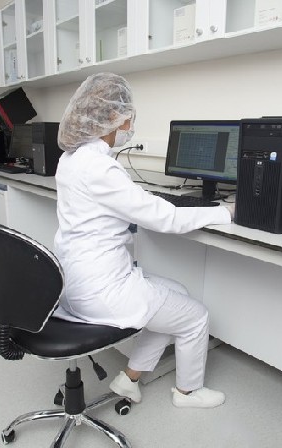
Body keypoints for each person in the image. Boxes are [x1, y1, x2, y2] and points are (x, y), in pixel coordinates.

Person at [54, 72, 235, 408]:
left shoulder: (71, 160)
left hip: (73, 282)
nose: (130, 126)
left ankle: (130, 379)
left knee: (176, 293)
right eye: (128, 118)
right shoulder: (100, 168)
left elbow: (120, 204)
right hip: (102, 290)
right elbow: (166, 218)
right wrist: (224, 212)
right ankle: (189, 393)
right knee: (196, 317)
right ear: (110, 116)